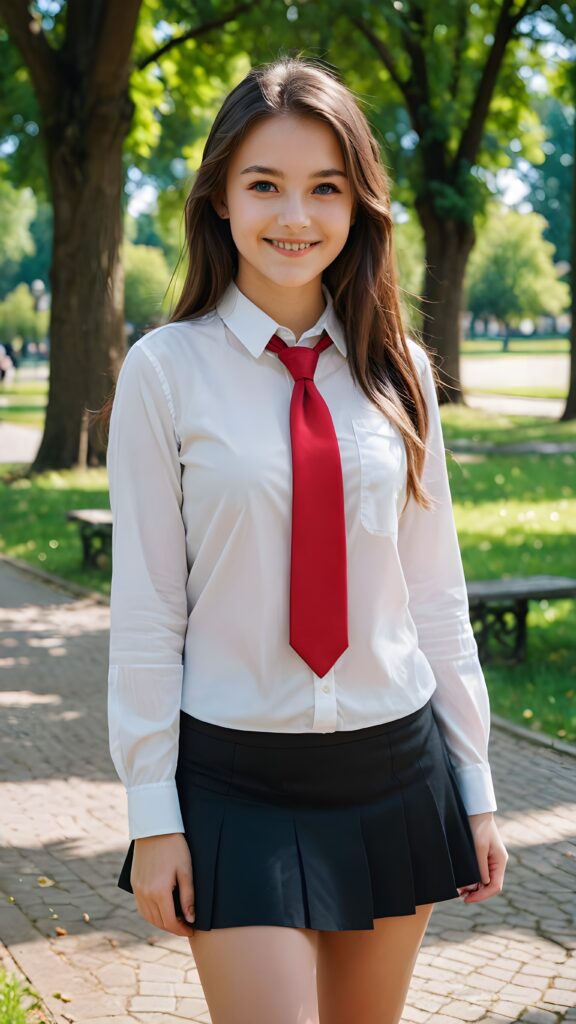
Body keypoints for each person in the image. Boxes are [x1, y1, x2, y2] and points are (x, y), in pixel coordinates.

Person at [103, 55, 508, 1024]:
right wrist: (153, 811)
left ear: (359, 204)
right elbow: (150, 609)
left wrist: (478, 780)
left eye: (325, 186)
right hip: (234, 775)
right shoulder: (165, 371)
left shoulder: (400, 369)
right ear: (221, 200)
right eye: (265, 185)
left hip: (391, 765)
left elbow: (433, 592)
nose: (296, 215)